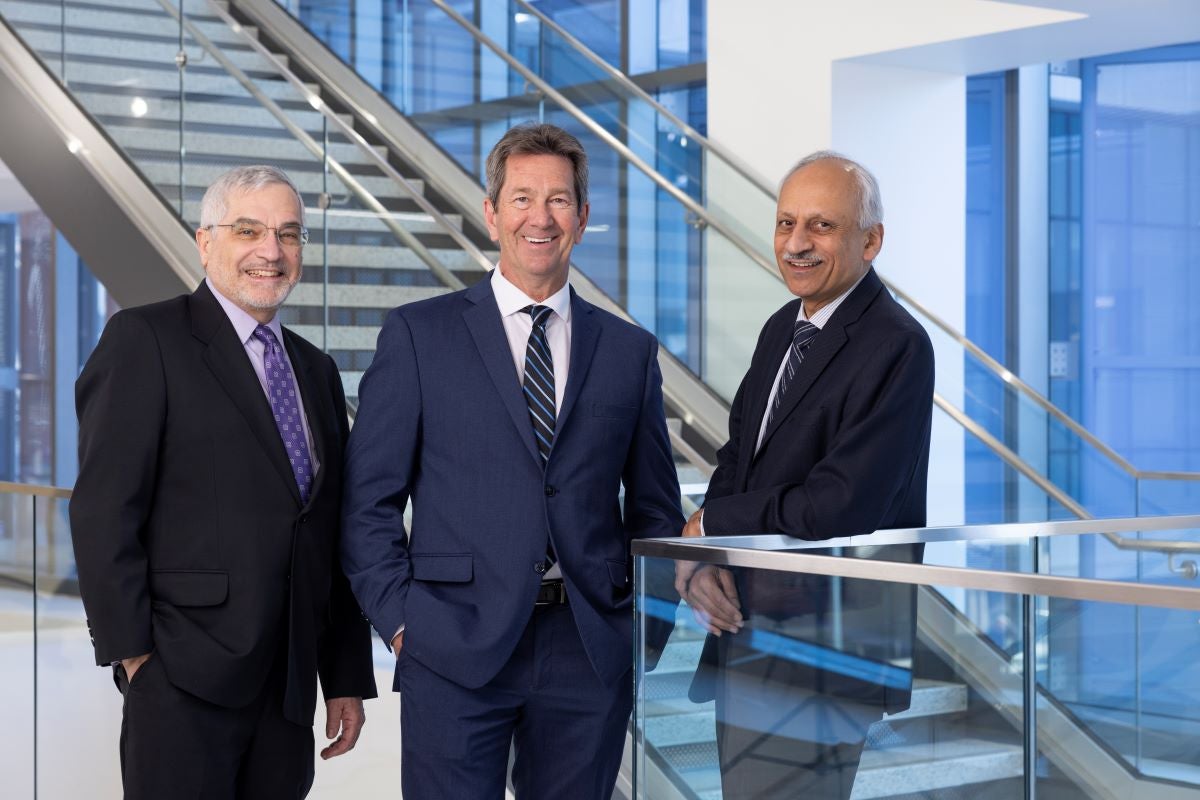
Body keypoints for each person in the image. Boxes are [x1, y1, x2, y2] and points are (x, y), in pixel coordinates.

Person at [341, 122, 684, 799]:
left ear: (582, 220)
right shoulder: (418, 335)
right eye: (522, 198)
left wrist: (645, 625)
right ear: (491, 213)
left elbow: (655, 509)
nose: (541, 216)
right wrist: (402, 620)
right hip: (452, 642)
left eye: (559, 200)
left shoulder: (628, 351)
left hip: (587, 646)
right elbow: (368, 500)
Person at [70, 165, 377, 799]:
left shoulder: (314, 371)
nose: (272, 251)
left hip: (288, 689)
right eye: (249, 230)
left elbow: (328, 531)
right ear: (205, 241)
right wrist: (137, 662)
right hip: (182, 679)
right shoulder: (146, 339)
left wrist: (344, 673)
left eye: (289, 234)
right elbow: (104, 511)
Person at [676, 151, 934, 799]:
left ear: (870, 240)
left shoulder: (896, 343)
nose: (795, 243)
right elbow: (739, 460)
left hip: (824, 647)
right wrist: (706, 557)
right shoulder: (780, 329)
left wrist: (711, 524)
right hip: (747, 634)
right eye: (786, 222)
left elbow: (841, 505)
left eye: (821, 226)